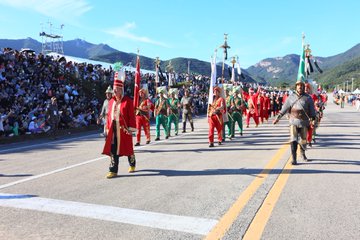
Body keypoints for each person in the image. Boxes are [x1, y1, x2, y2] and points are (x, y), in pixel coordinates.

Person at [102, 72, 137, 179]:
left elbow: (131, 116)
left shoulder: (128, 101)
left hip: (124, 129)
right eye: (114, 89)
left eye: (117, 89)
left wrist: (131, 129)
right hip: (113, 129)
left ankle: (132, 163)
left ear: (121, 90)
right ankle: (113, 170)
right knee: (113, 149)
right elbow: (108, 116)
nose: (115, 91)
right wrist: (107, 129)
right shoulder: (111, 101)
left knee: (128, 149)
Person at [273, 80, 316, 165]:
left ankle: (303, 154)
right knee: (293, 140)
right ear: (296, 87)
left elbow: (312, 111)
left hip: (304, 121)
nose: (300, 87)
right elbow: (284, 109)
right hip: (293, 121)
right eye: (298, 85)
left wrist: (313, 119)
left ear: (304, 87)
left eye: (301, 86)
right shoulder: (291, 97)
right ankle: (294, 158)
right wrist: (277, 118)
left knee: (303, 140)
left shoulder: (308, 98)